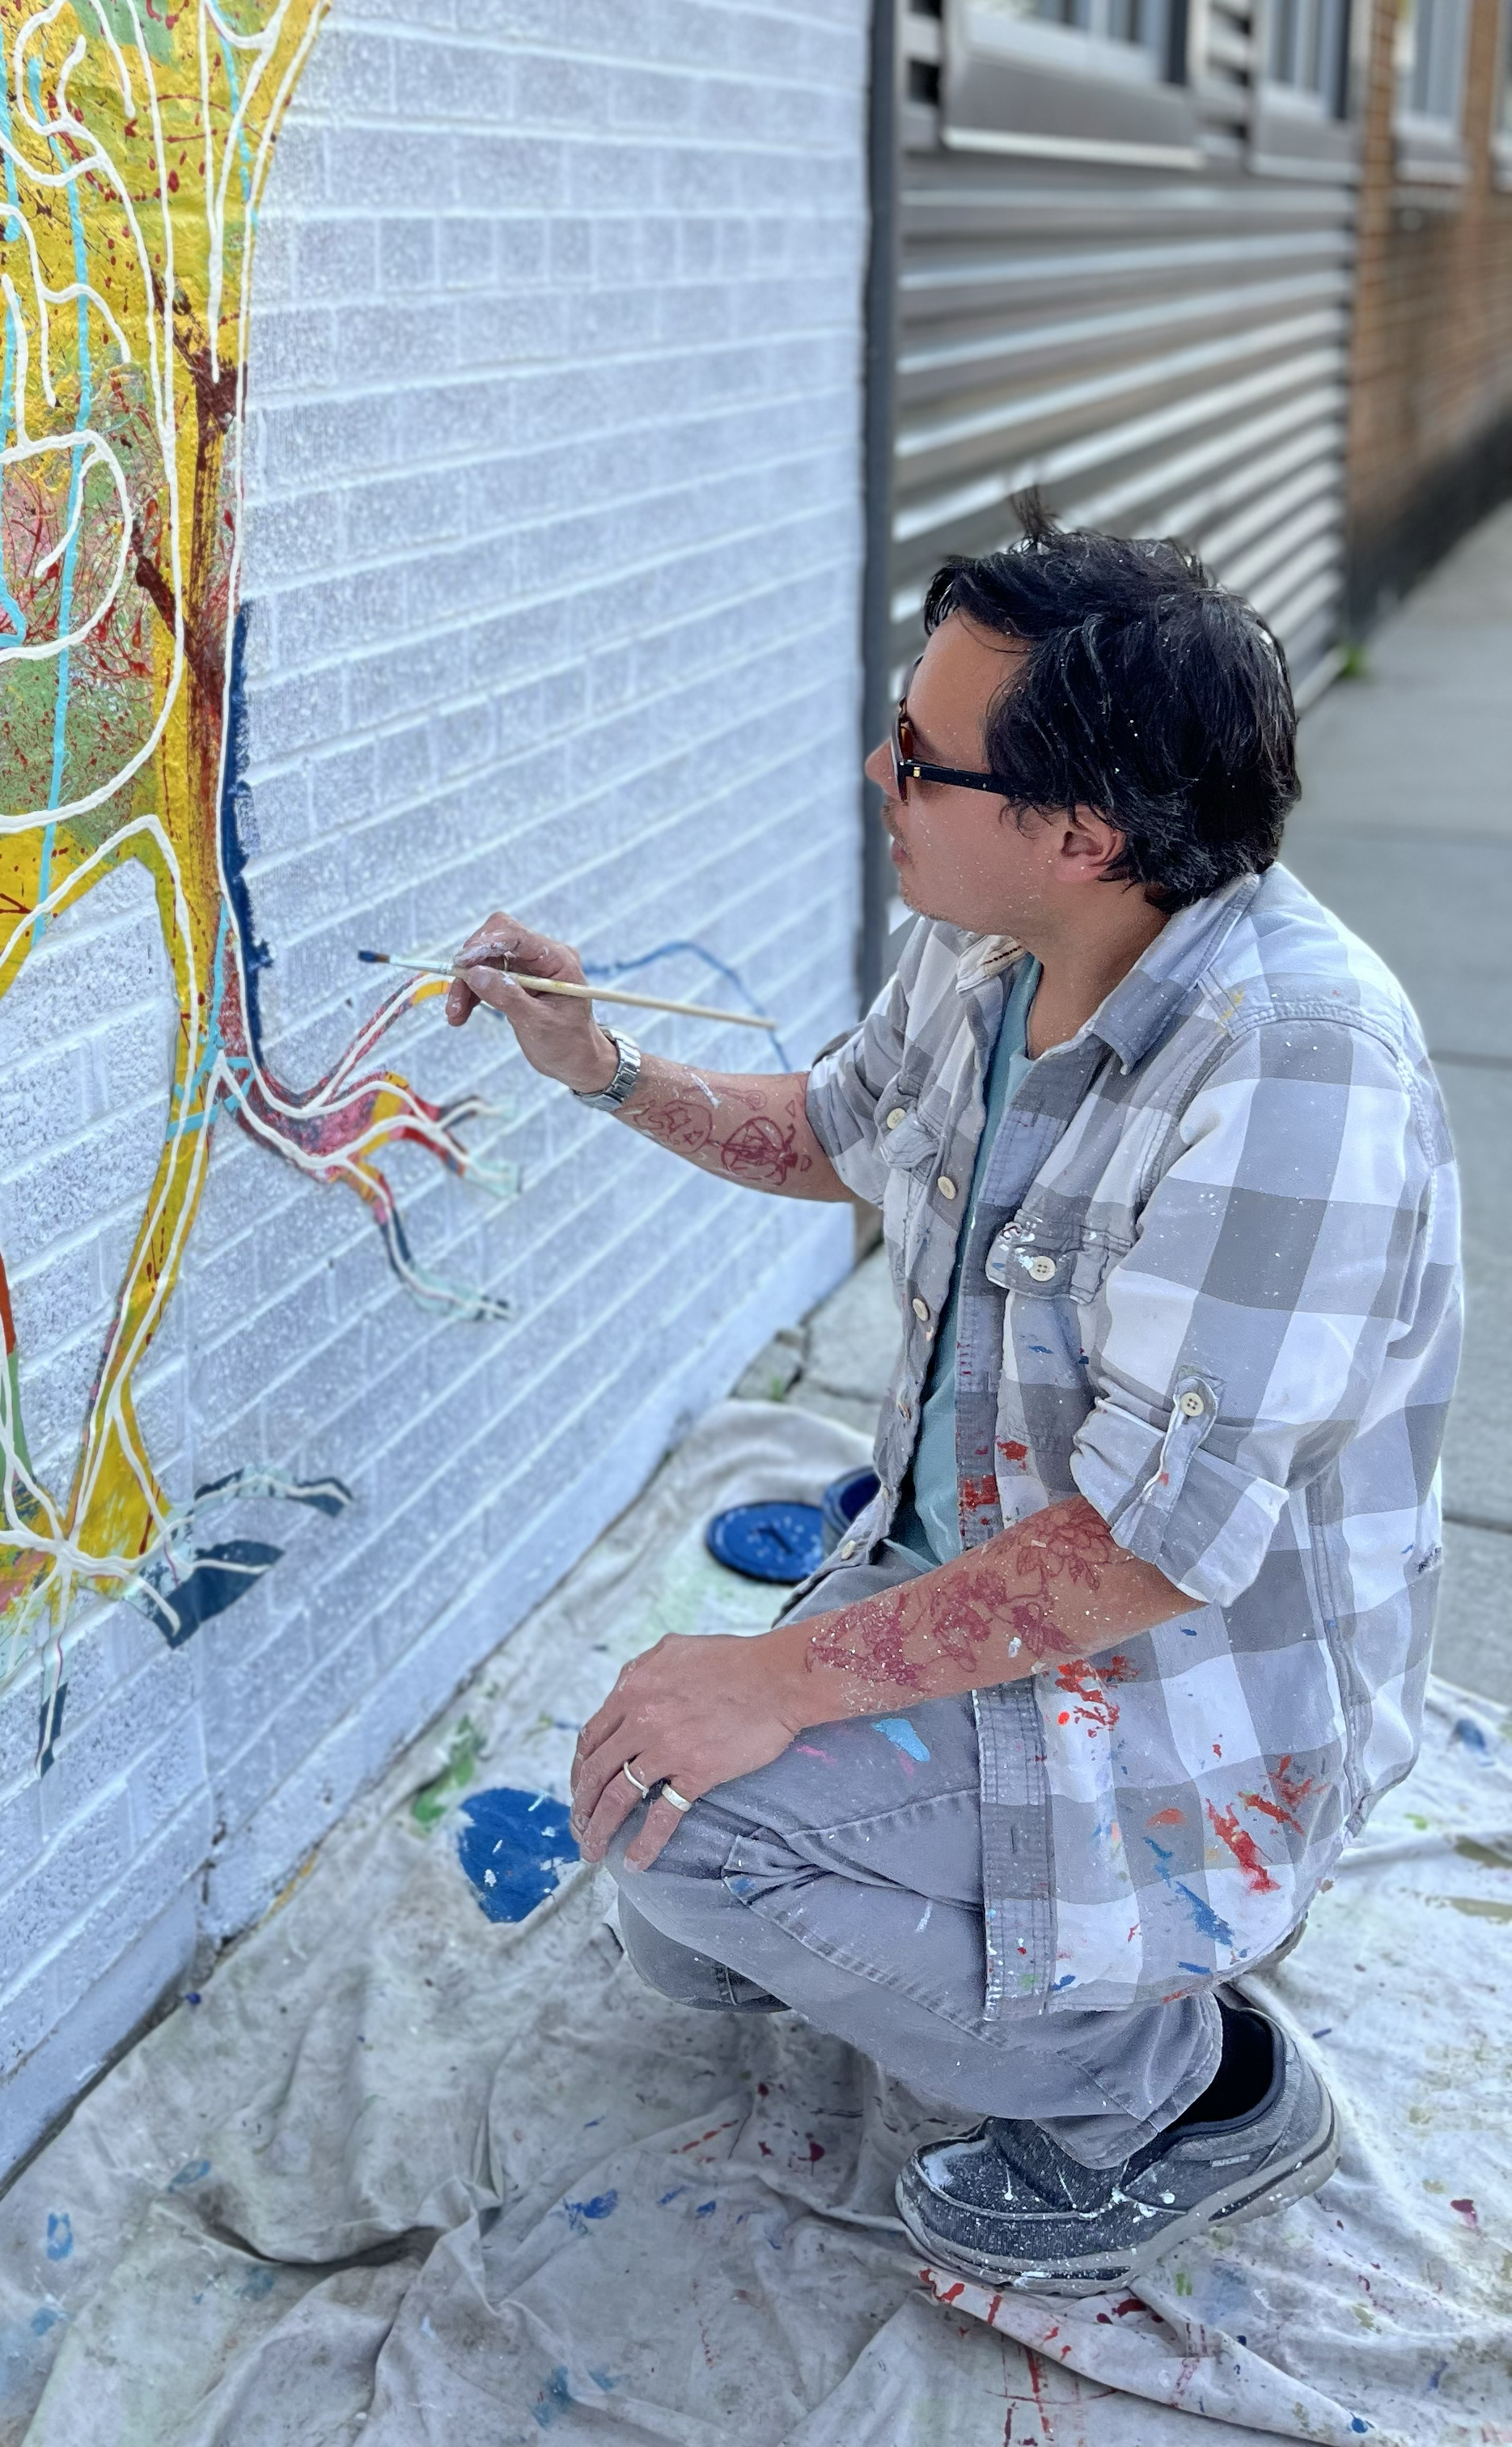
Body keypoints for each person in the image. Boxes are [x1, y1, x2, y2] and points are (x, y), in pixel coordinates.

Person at [446, 509, 1462, 2296]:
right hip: (993, 1584)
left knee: (693, 1850)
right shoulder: (995, 950)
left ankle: (1188, 2093)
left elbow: (1154, 1556)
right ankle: (1042, 1952)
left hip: (1178, 1689)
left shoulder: (1301, 1066)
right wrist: (596, 1064)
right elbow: (838, 1133)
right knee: (671, 1883)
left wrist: (778, 1678)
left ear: (1082, 830)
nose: (876, 771)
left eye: (920, 756)